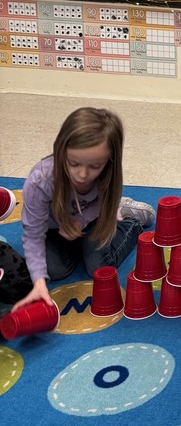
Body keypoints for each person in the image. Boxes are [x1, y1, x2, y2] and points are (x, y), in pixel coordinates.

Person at [0, 107, 154, 315]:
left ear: (109, 161)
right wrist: (38, 281)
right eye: (73, 163)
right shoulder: (40, 180)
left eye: (94, 166)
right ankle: (77, 245)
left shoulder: (108, 174)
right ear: (61, 151)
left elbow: (104, 201)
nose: (82, 175)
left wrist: (81, 220)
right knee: (53, 271)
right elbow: (33, 232)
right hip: (51, 228)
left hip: (94, 218)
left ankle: (128, 220)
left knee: (98, 268)